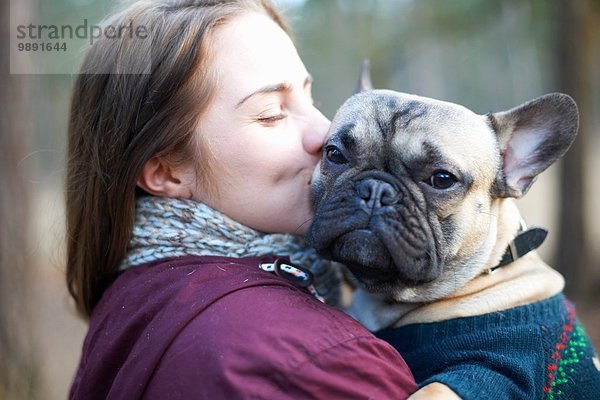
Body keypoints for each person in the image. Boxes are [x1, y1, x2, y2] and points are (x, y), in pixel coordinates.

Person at [66, 0, 417, 398]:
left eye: (311, 97)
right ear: (165, 171)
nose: (326, 132)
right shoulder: (302, 362)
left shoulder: (136, 298)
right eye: (271, 113)